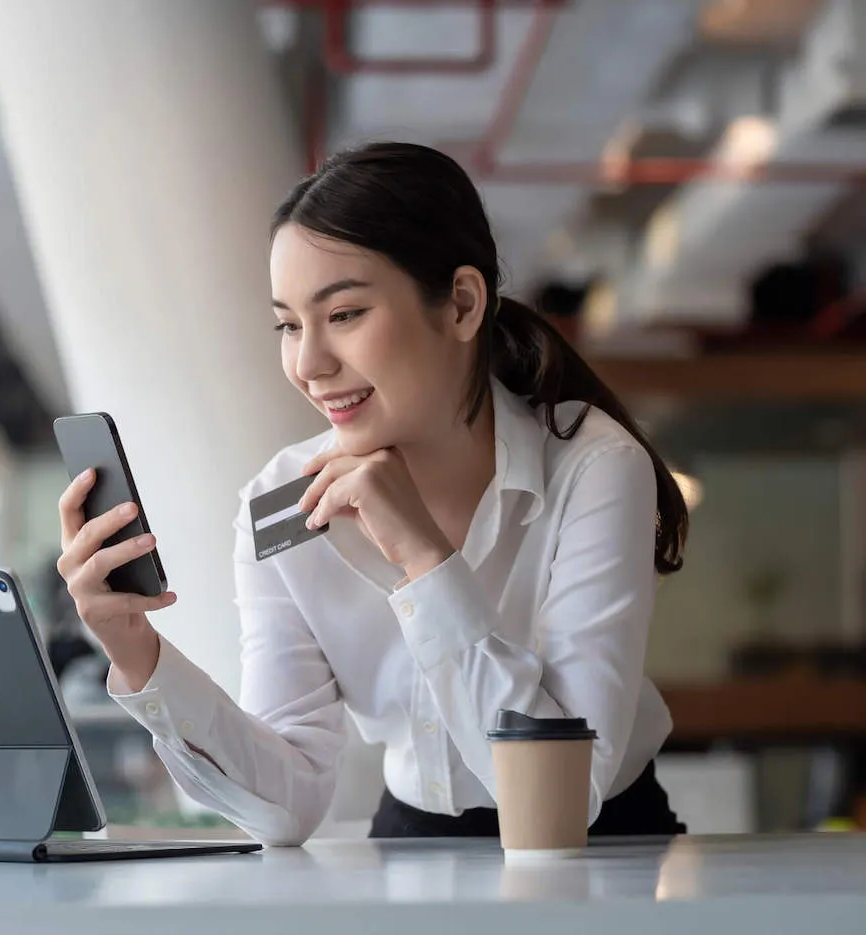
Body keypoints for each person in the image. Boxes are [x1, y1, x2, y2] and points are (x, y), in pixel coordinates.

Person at [54, 142, 689, 845]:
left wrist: (423, 557)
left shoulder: (594, 468)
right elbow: (286, 804)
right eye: (289, 324)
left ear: (462, 304)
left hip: (603, 846)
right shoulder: (281, 502)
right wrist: (138, 653)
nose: (309, 363)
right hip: (412, 840)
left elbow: (570, 792)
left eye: (346, 314)